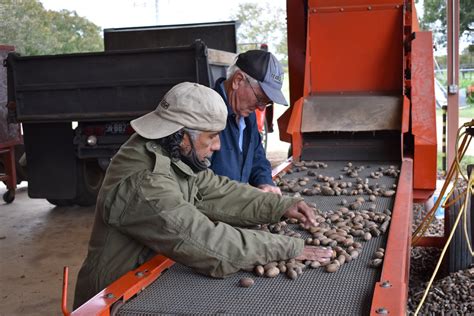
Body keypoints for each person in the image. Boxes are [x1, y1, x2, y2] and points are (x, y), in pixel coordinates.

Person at [73, 82, 332, 308]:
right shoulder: (145, 184)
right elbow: (207, 243)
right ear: (183, 135)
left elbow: (215, 189)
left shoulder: (169, 149)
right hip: (116, 296)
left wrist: (280, 206)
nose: (217, 146)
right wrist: (287, 247)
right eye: (212, 137)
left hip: (147, 279)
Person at [211, 50, 287, 195]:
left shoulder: (247, 116)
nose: (261, 107)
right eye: (259, 98)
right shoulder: (206, 115)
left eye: (267, 102)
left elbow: (257, 157)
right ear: (238, 80)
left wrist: (264, 182)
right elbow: (201, 183)